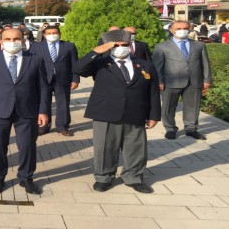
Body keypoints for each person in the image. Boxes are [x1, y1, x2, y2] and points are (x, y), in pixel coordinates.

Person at [73, 29, 160, 193]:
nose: (121, 48)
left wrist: (154, 115)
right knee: (105, 147)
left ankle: (133, 177)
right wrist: (96, 51)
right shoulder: (100, 63)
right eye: (116, 45)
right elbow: (78, 69)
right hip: (105, 111)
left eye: (125, 45)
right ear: (109, 47)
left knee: (135, 147)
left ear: (130, 46)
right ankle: (104, 177)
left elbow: (153, 91)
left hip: (136, 111)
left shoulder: (144, 64)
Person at [0, 28, 49, 195]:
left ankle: (26, 177)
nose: (12, 42)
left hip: (28, 109)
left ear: (23, 40)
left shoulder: (36, 59)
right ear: (1, 41)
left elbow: (43, 88)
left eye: (16, 38)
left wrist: (43, 111)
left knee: (27, 146)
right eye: (8, 39)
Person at [153, 20, 212, 140]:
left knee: (193, 105)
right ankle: (170, 128)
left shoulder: (198, 45)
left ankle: (191, 128)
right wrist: (159, 81)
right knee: (169, 106)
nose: (182, 30)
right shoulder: (162, 46)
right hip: (171, 82)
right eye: (178, 28)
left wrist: (207, 79)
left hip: (194, 81)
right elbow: (157, 67)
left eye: (185, 28)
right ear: (171, 30)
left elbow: (205, 64)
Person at [32, 26, 79, 136]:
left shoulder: (69, 46)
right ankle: (44, 126)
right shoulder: (36, 47)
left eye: (55, 32)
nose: (52, 35)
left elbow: (75, 65)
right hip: (42, 79)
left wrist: (75, 79)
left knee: (63, 103)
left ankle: (63, 126)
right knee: (44, 102)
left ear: (60, 34)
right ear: (44, 35)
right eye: (49, 33)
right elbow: (32, 64)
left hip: (63, 79)